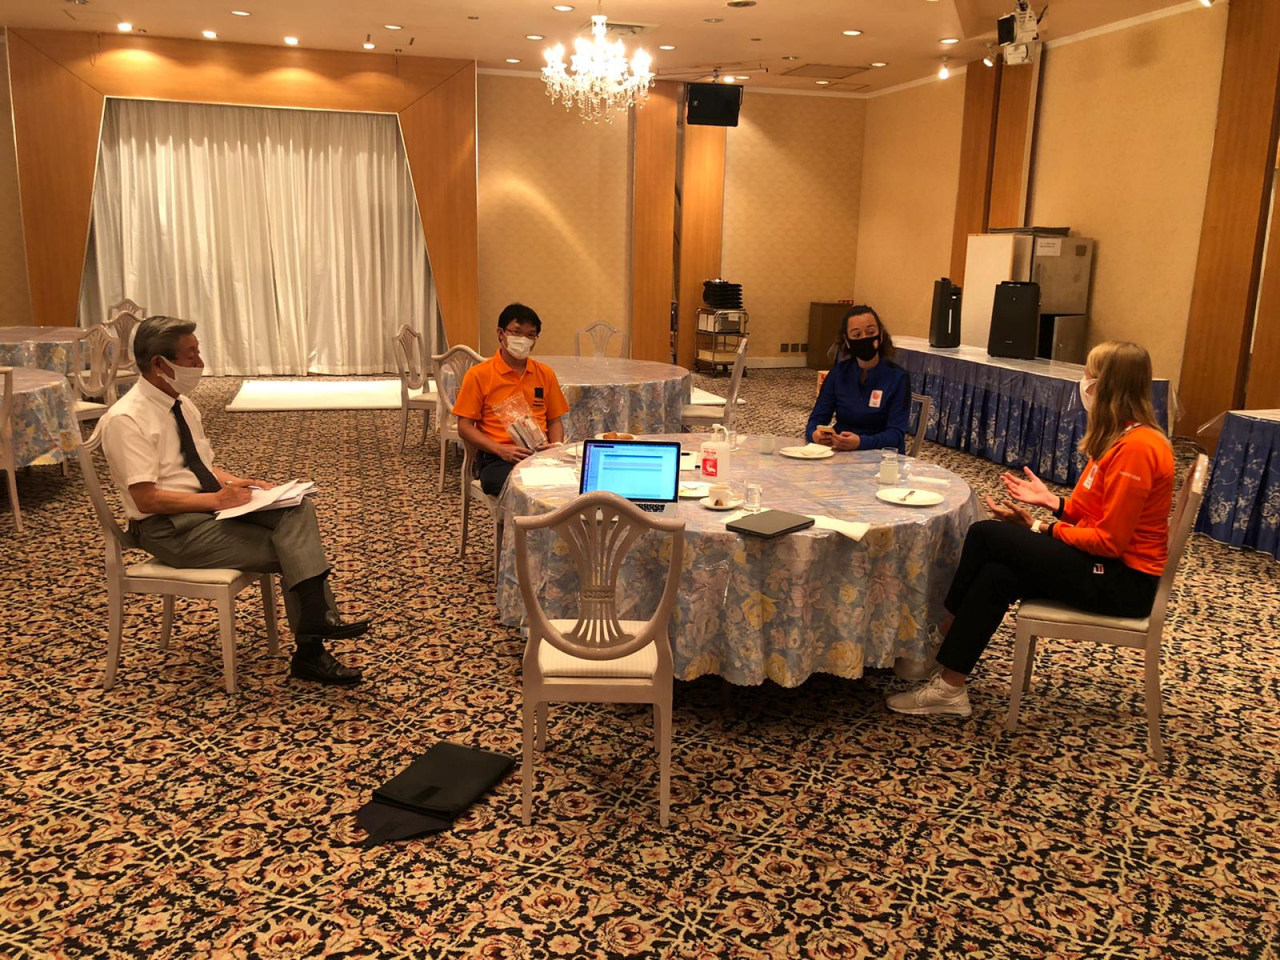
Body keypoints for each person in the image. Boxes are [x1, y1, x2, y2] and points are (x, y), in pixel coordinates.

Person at [887, 340, 1175, 717]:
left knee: (986, 534)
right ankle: (950, 688)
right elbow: (1098, 514)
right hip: (1105, 567)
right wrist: (1053, 503)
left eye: (1088, 376)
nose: (1083, 384)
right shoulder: (1118, 439)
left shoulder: (1138, 449)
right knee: (998, 574)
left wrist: (1041, 527)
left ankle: (941, 635)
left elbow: (1109, 542)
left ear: (1106, 386)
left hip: (1124, 582)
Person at [98, 316, 371, 686]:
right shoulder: (126, 418)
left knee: (296, 508)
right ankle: (312, 648)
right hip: (169, 531)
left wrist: (236, 483)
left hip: (205, 511)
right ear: (160, 364)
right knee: (294, 550)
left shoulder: (181, 404)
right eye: (191, 356)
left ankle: (314, 625)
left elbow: (198, 466)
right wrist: (218, 498)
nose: (200, 363)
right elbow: (147, 499)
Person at [453, 303, 570, 496]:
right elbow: (464, 427)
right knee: (524, 486)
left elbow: (554, 420)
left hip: (540, 454)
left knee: (578, 482)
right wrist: (500, 449)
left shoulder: (545, 374)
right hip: (497, 457)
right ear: (501, 334)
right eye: (516, 332)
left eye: (530, 335)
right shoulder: (479, 375)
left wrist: (556, 448)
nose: (523, 339)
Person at [805, 305, 910, 453]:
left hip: (882, 456)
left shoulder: (898, 377)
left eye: (870, 332)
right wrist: (815, 435)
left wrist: (861, 442)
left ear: (880, 335)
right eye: (856, 335)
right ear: (847, 341)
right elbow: (816, 420)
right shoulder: (838, 374)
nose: (864, 338)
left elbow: (896, 435)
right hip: (842, 452)